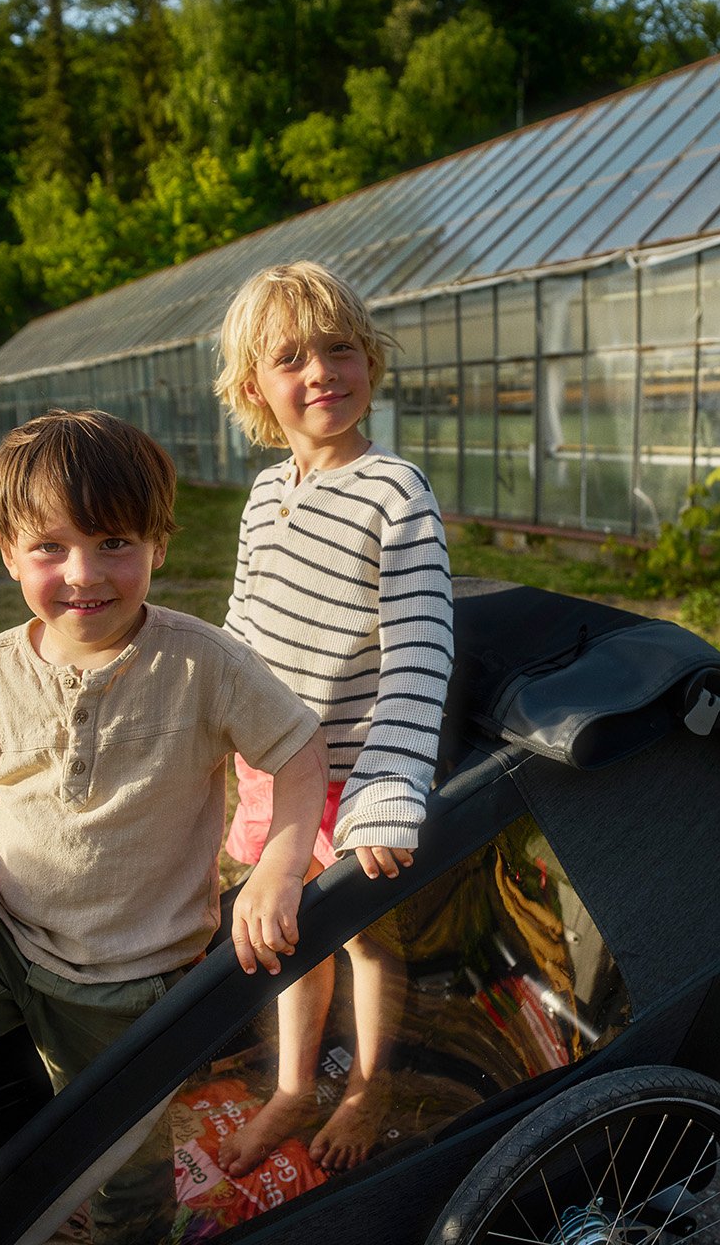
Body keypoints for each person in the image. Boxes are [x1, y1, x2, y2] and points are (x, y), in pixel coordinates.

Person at [0, 410, 329, 1245]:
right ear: (8, 554)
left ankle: (134, 1228)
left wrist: (277, 868)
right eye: (50, 547)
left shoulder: (203, 664)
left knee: (119, 1165)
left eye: (115, 541)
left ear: (159, 545)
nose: (84, 574)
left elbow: (301, 752)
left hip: (128, 978)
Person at [211, 261, 454, 1175]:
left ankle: (369, 1086)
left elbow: (422, 648)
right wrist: (210, 723)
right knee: (292, 940)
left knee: (363, 938)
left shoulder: (396, 492)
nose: (321, 372)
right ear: (253, 390)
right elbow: (241, 630)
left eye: (339, 349)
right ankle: (292, 1087)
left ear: (370, 362)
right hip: (273, 768)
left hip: (351, 773)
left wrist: (388, 793)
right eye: (291, 359)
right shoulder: (267, 496)